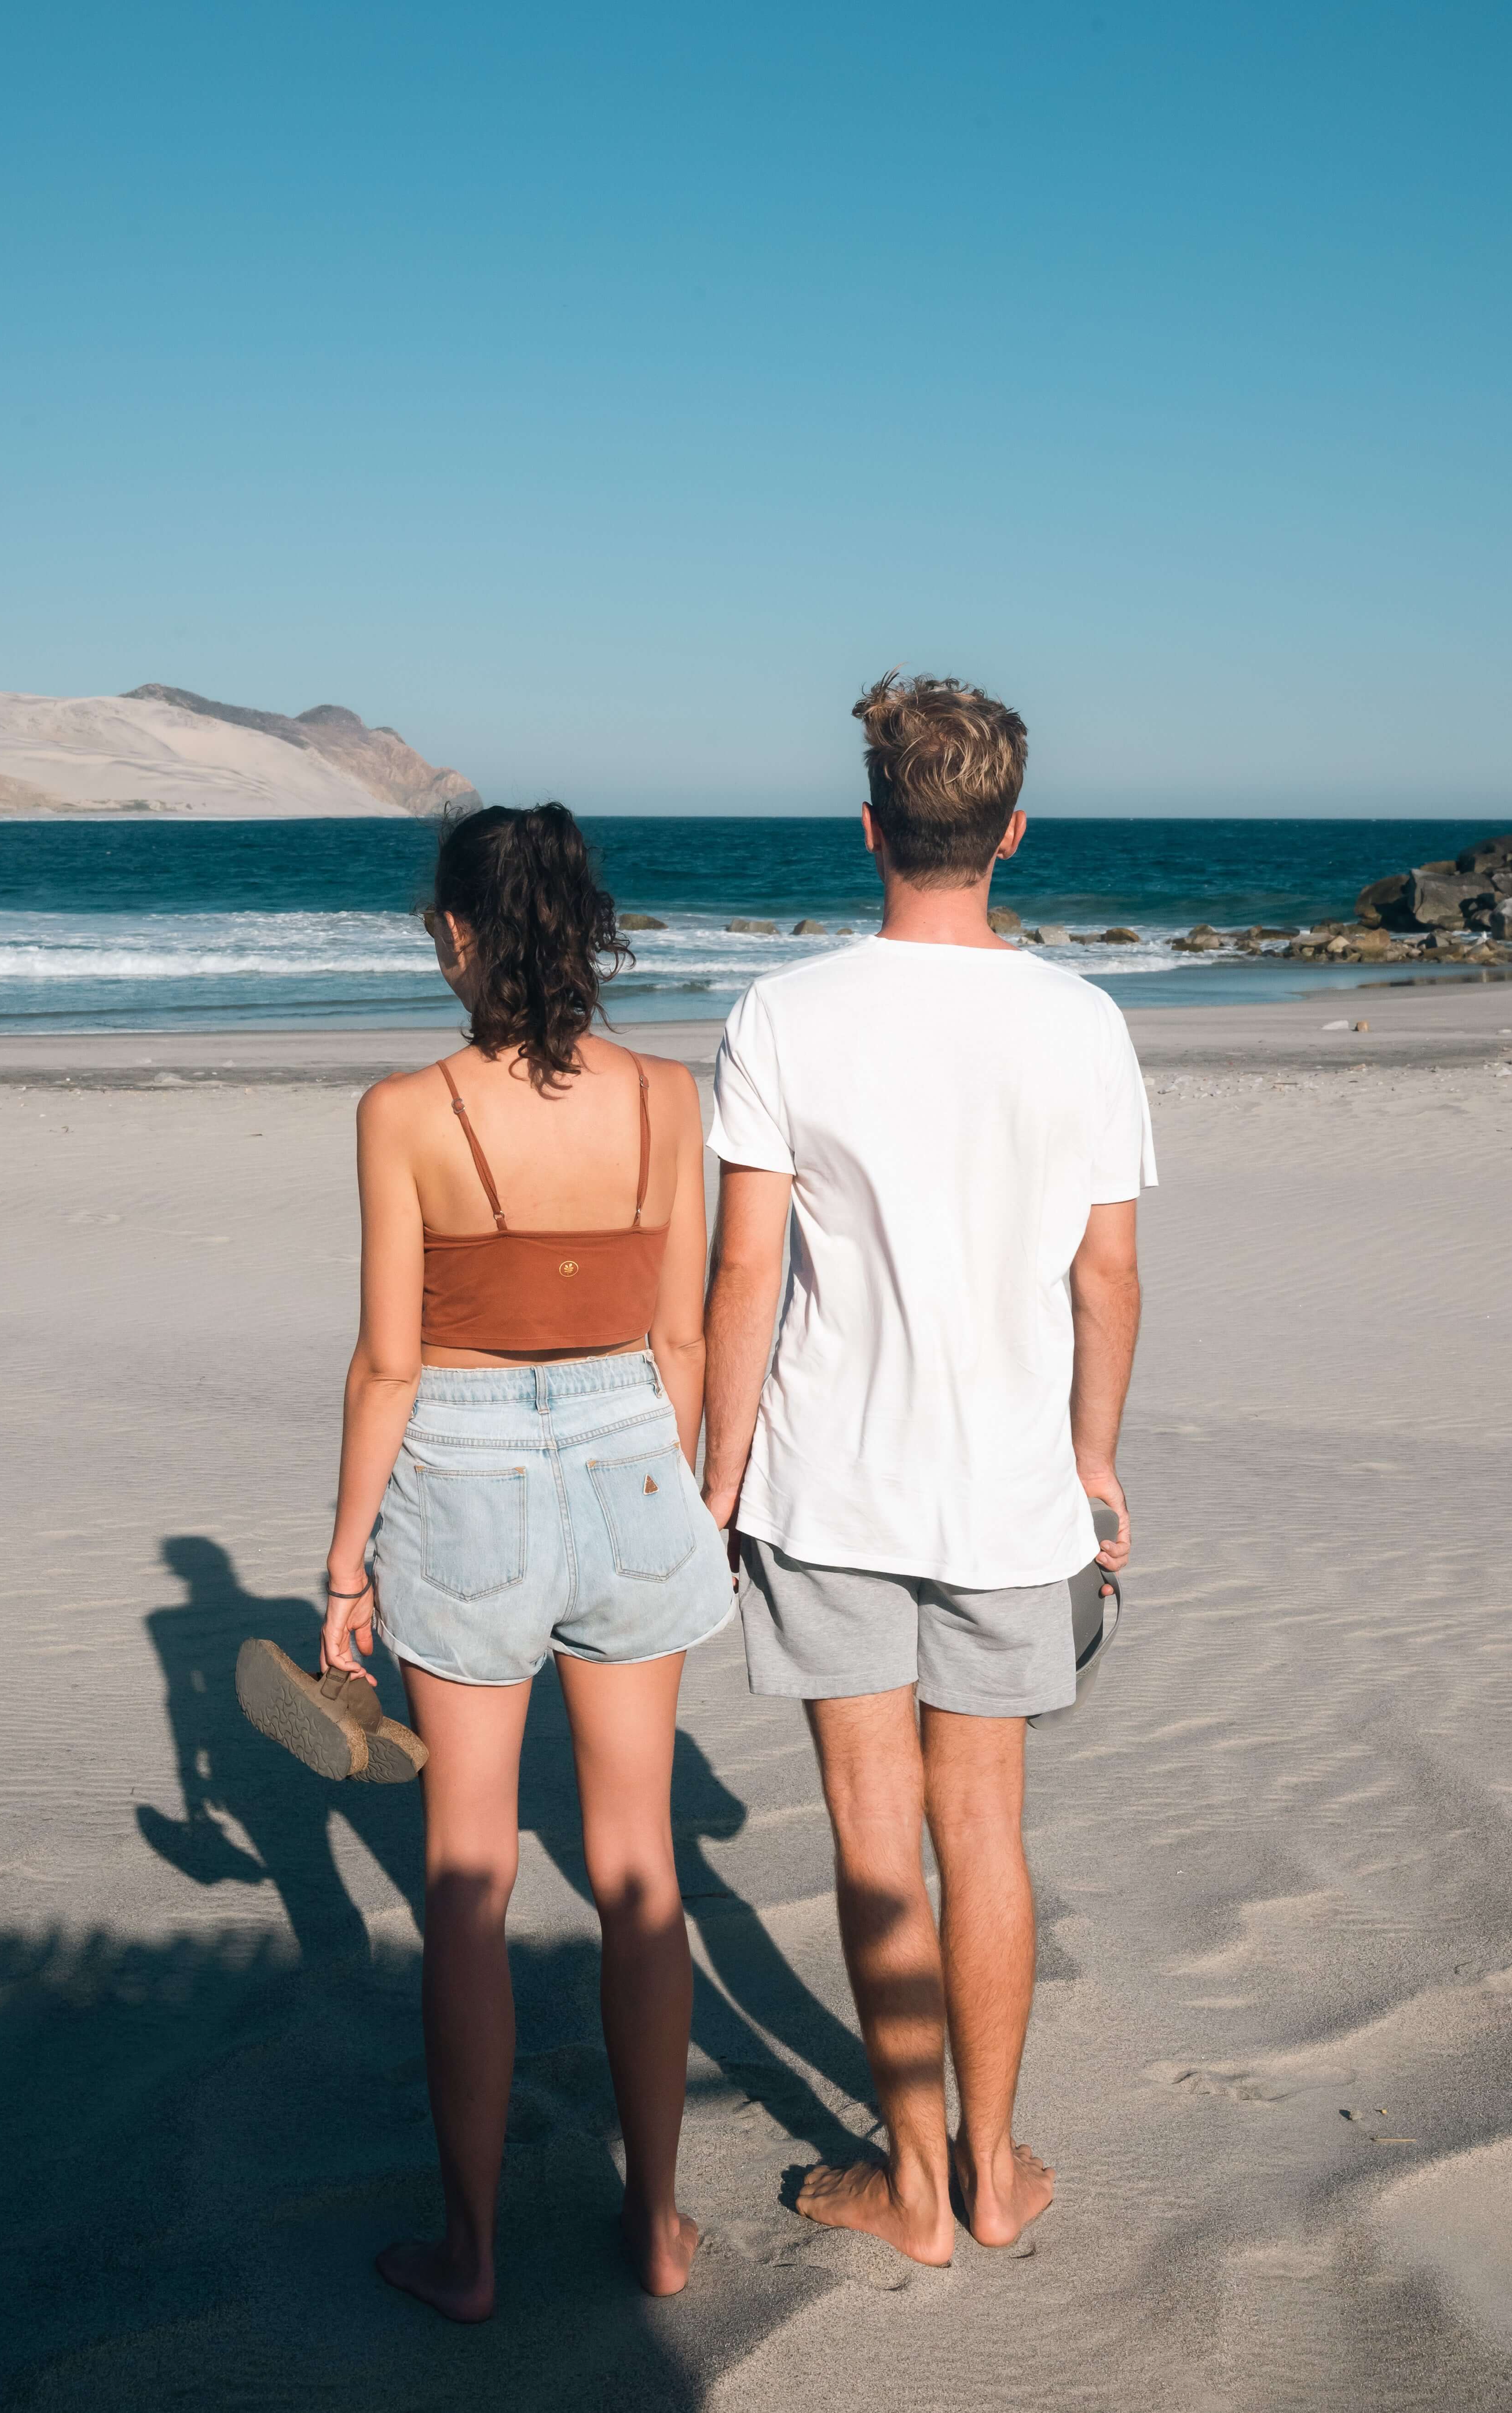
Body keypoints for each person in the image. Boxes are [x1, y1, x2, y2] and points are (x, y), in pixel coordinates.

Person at [701, 672, 1155, 2266]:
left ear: (872, 824)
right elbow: (1107, 1280)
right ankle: (991, 2164)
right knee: (987, 1826)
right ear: (1011, 830)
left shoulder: (782, 1015)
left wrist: (715, 1473)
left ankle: (907, 2176)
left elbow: (742, 1279)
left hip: (826, 1484)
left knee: (872, 1831)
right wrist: (1093, 1457)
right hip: (1010, 1489)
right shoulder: (1081, 1019)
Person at [318, 803, 733, 2321]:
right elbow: (682, 1334)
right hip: (636, 1449)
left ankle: (475, 2254)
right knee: (638, 1863)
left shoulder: (403, 1110)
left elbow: (385, 1364)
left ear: (454, 932)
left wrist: (347, 1564)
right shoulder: (665, 1096)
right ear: (586, 927)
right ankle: (660, 2227)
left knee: (469, 1879)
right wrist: (659, 1489)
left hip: (465, 1469)